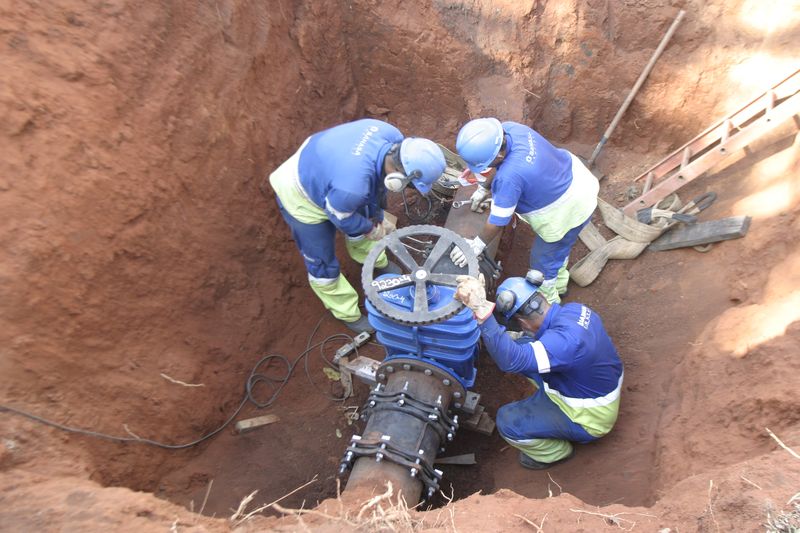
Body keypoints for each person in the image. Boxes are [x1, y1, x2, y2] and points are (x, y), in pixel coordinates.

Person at [269, 119, 446, 333]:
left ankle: (374, 260)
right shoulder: (352, 189)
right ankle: (347, 312)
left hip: (329, 169)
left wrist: (378, 214)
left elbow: (377, 188)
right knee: (322, 263)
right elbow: (341, 219)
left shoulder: (390, 135)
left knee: (362, 215)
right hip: (300, 191)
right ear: (398, 176)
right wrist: (371, 230)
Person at [454, 273, 623, 469]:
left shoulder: (562, 345)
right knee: (521, 344)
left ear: (523, 323)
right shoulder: (574, 310)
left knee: (507, 421)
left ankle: (555, 453)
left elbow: (509, 362)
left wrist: (481, 311)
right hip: (594, 383)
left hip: (591, 416)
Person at [450, 118, 599, 303]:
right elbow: (501, 164)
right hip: (579, 181)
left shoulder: (509, 177)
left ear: (496, 155)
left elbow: (498, 221)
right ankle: (561, 285)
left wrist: (476, 246)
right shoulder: (510, 130)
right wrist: (484, 188)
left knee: (542, 264)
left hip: (566, 209)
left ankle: (549, 303)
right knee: (560, 250)